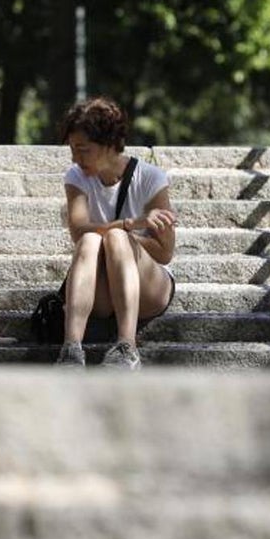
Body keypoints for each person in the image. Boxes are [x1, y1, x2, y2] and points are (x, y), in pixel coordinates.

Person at [56, 97, 177, 370]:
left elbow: (165, 253)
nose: (76, 158)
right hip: (101, 291)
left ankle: (127, 347)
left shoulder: (150, 178)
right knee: (90, 239)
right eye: (73, 149)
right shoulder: (77, 178)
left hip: (149, 289)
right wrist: (129, 223)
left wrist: (125, 235)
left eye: (83, 149)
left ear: (109, 145)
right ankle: (71, 349)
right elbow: (78, 233)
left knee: (117, 239)